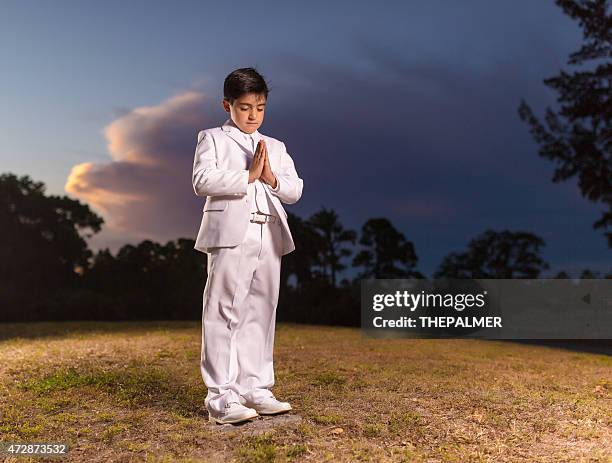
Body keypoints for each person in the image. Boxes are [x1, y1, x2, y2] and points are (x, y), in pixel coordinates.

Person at [192, 67, 304, 424]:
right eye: (244, 107)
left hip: (268, 232)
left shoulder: (277, 146)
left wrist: (270, 177)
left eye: (260, 107)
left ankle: (255, 388)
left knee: (261, 311)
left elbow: (295, 189)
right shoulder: (212, 138)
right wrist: (248, 176)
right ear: (227, 105)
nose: (253, 115)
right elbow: (201, 180)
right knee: (223, 310)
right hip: (230, 233)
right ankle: (221, 397)